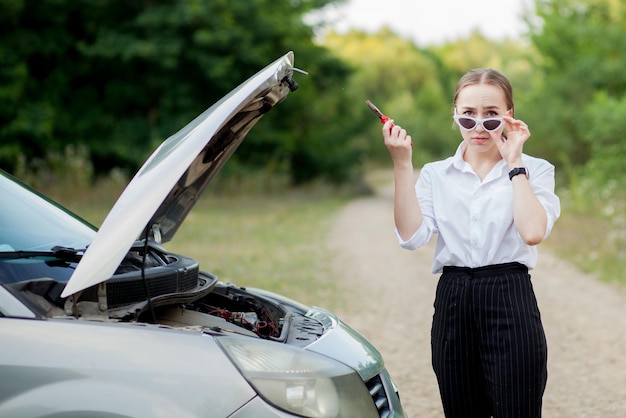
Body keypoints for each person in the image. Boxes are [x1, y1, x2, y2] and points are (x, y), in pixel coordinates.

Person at [382, 68, 561, 418]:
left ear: (510, 114)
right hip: (453, 299)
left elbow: (532, 232)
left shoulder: (536, 170)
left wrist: (515, 165)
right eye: (468, 115)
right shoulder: (435, 174)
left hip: (510, 293)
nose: (479, 126)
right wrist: (403, 165)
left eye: (492, 115)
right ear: (455, 114)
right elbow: (411, 237)